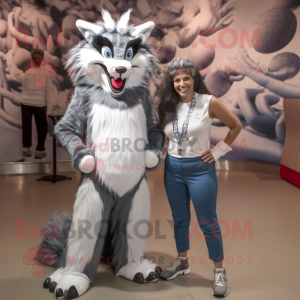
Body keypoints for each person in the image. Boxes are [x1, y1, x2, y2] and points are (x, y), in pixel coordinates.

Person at [157, 58, 242, 297]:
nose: (182, 83)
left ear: (195, 80)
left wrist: (217, 152)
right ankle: (182, 262)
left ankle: (219, 271)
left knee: (208, 222)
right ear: (171, 83)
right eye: (177, 80)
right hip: (172, 169)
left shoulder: (209, 102)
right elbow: (161, 132)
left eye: (186, 78)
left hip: (200, 170)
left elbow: (235, 126)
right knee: (180, 219)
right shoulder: (167, 104)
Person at [10, 49, 52, 159]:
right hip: (40, 104)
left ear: (31, 60)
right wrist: (46, 104)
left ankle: (26, 148)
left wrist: (11, 62)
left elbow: (17, 73)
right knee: (42, 127)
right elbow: (48, 92)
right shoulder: (45, 74)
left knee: (27, 126)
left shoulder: (26, 73)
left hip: (26, 103)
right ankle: (40, 149)